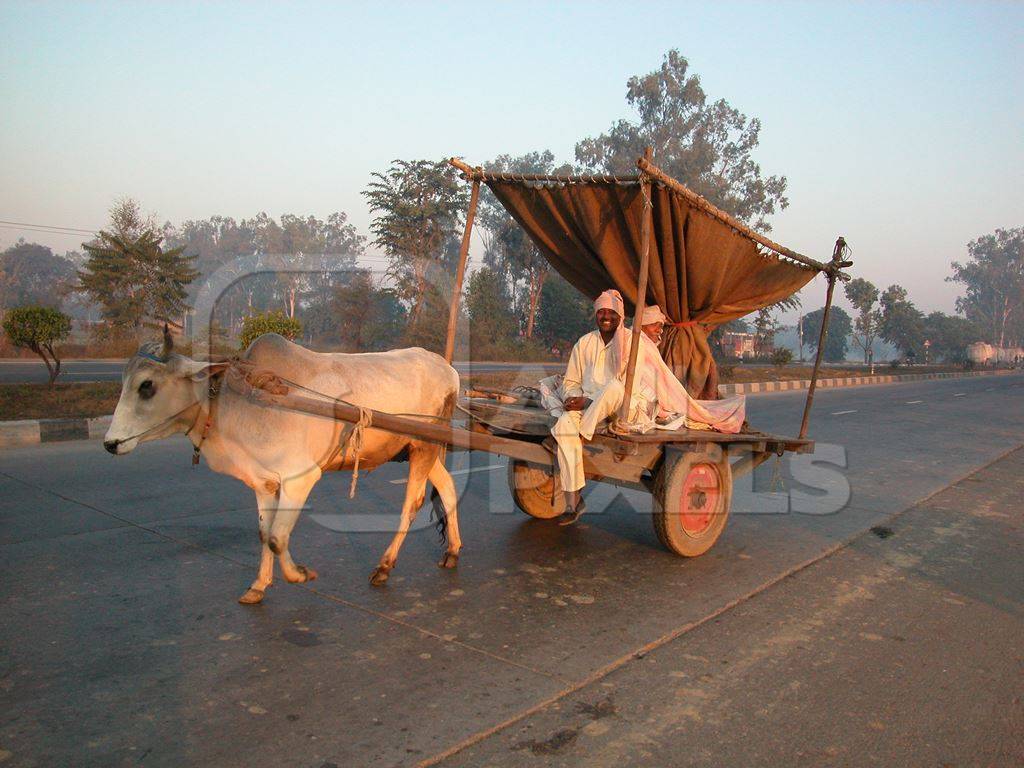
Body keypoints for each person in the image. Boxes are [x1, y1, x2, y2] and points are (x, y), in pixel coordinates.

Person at [545, 298, 745, 526]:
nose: (606, 317)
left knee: (613, 388)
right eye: (602, 312)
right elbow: (572, 380)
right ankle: (574, 502)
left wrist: (590, 400)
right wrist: (572, 396)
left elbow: (627, 384)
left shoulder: (633, 342)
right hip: (587, 408)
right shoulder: (584, 343)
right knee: (563, 427)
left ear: (621, 317)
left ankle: (580, 435)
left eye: (612, 312)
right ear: (596, 315)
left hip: (620, 404)